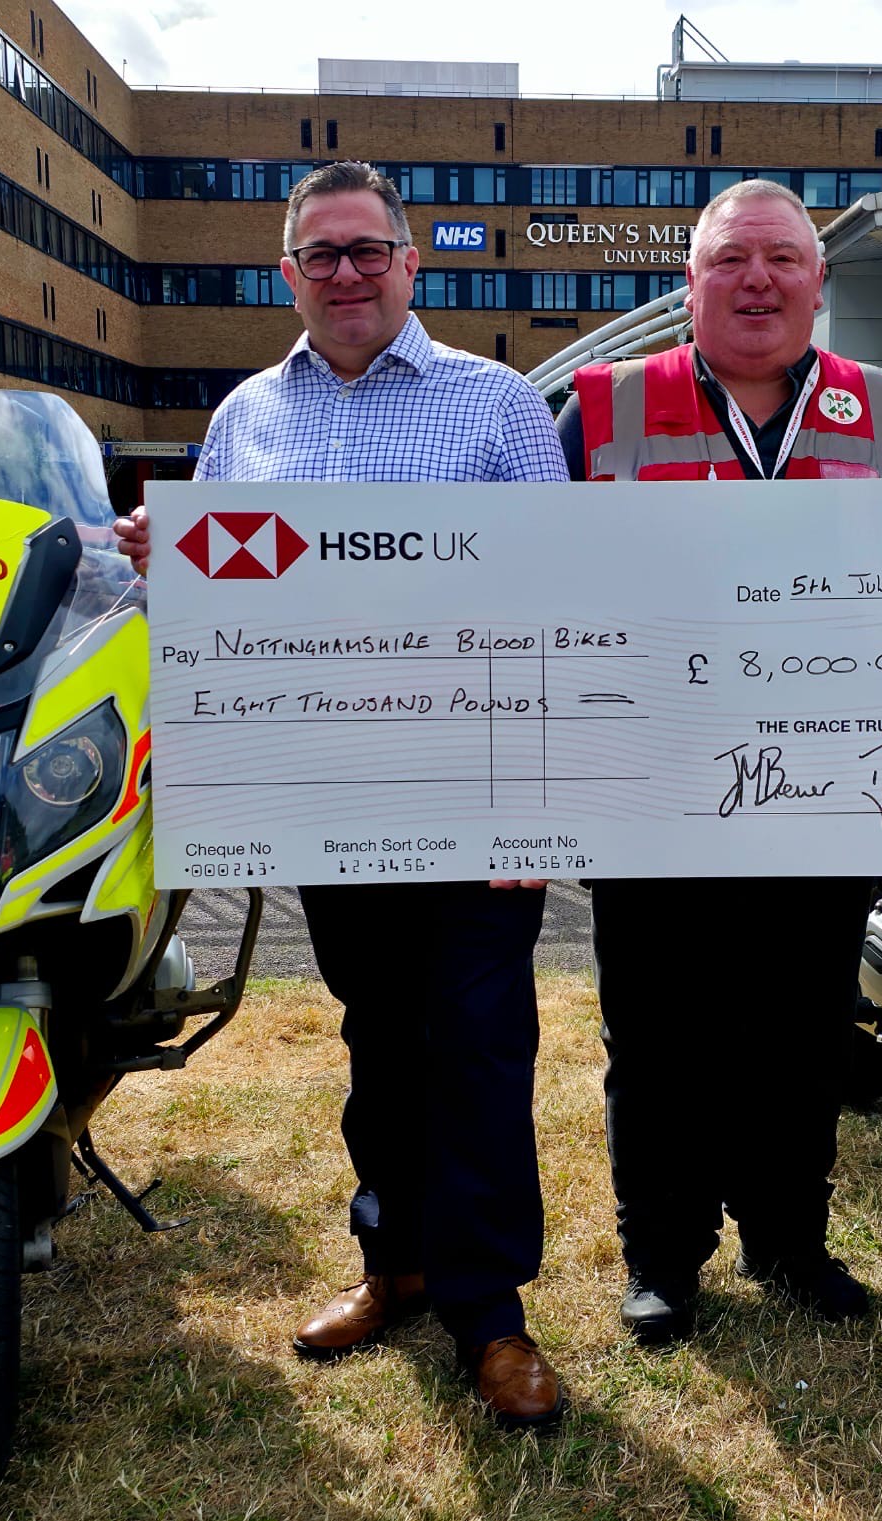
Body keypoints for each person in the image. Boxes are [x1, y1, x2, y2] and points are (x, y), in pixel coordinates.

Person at [556, 179, 882, 1346]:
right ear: (689, 282)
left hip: (825, 795)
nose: (757, 280)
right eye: (731, 259)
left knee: (797, 1037)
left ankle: (787, 1242)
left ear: (816, 282)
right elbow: (518, 570)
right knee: (658, 1041)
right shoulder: (600, 410)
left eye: (781, 259)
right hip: (652, 793)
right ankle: (662, 1259)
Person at [117, 161, 569, 1429]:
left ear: (409, 264)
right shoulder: (244, 418)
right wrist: (164, 560)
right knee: (378, 1035)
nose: (348, 273)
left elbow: (558, 601)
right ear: (289, 275)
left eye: (369, 249)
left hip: (478, 791)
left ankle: (491, 1314)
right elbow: (213, 606)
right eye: (322, 253)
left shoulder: (497, 405)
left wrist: (540, 796)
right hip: (332, 792)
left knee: (478, 1041)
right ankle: (396, 1263)